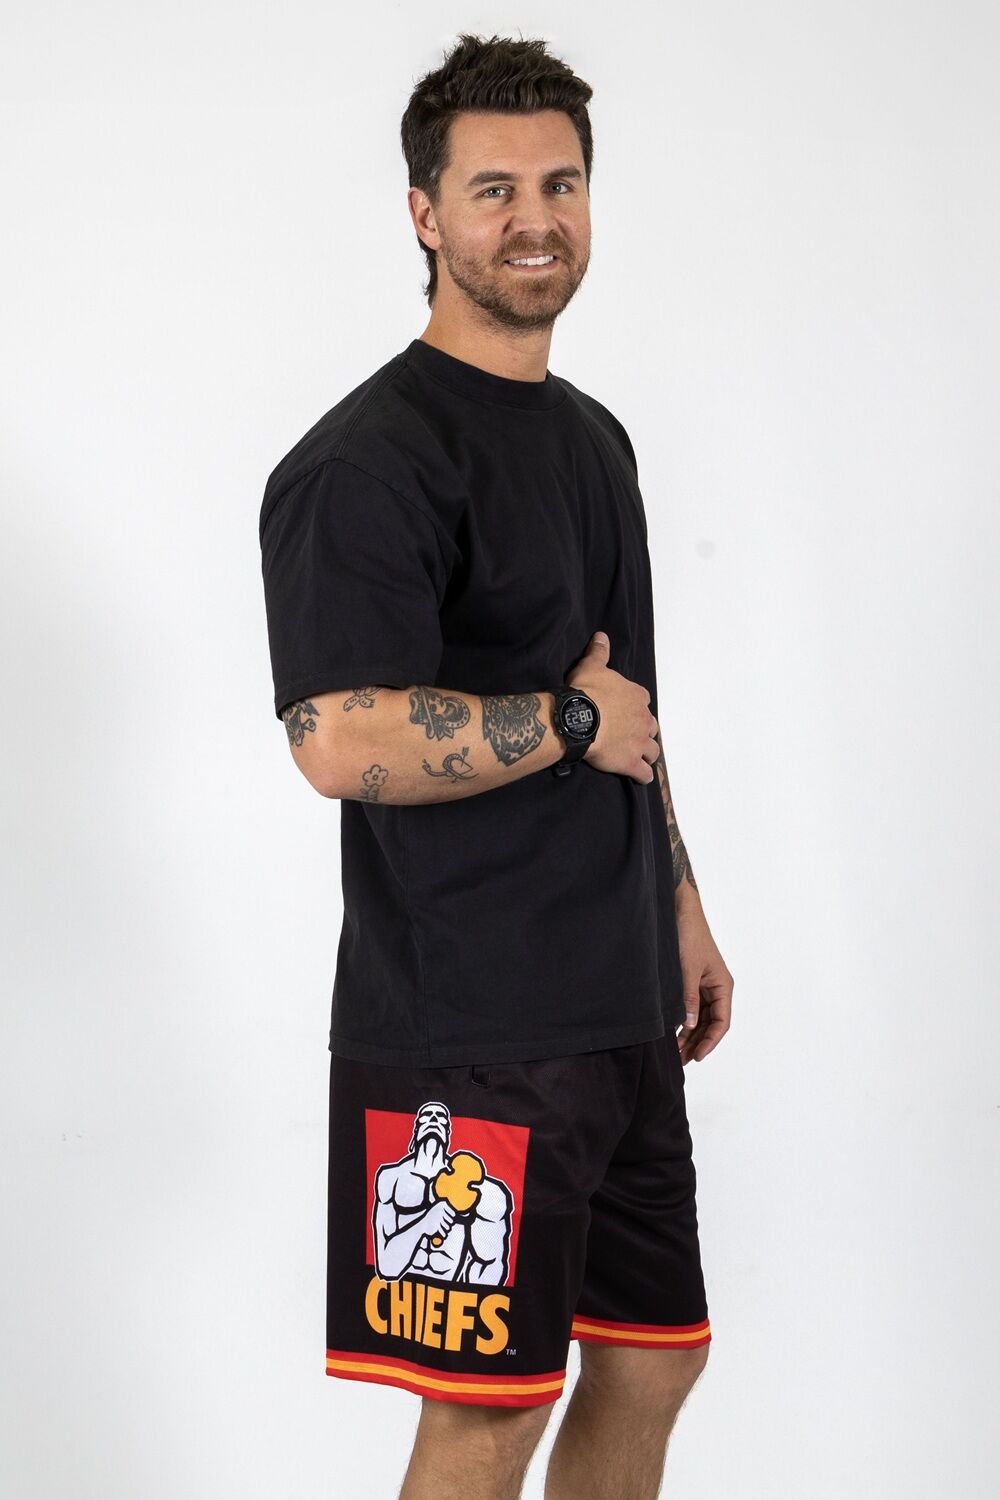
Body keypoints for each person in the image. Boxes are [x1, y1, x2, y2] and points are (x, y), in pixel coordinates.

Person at [258, 31, 734, 1500]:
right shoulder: (368, 460)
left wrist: (677, 901)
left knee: (653, 1361)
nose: (536, 219)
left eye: (561, 183)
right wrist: (565, 724)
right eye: (494, 189)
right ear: (425, 213)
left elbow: (629, 705)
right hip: (465, 1027)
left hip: (616, 1004)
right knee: (486, 1414)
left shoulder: (595, 441)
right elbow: (337, 739)